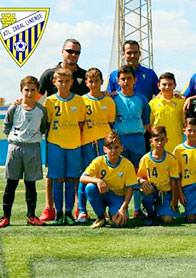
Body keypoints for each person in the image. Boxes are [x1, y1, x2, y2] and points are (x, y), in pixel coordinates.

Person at [38, 38, 88, 222]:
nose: (73, 55)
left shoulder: (82, 81)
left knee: (74, 176)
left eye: (77, 52)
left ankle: (76, 209)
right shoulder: (48, 79)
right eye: (70, 51)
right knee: (55, 176)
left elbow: (82, 121)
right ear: (62, 52)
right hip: (56, 141)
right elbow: (37, 101)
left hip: (75, 141)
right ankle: (51, 208)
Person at [0, 76, 48, 228]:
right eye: (26, 90)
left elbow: (43, 128)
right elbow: (6, 126)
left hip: (33, 149)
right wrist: (15, 138)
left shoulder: (41, 110)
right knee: (11, 183)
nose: (30, 93)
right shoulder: (14, 108)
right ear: (21, 91)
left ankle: (31, 216)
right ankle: (6, 217)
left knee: (30, 184)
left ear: (38, 91)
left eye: (33, 90)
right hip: (15, 148)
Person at [44, 68, 86, 224]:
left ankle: (68, 212)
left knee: (71, 178)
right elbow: (47, 123)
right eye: (60, 81)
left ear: (72, 83)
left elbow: (81, 124)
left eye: (67, 81)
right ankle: (58, 213)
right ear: (55, 82)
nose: (63, 84)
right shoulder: (50, 101)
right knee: (58, 179)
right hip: (55, 144)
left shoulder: (79, 101)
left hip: (74, 144)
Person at [77, 68, 116, 223]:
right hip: (87, 142)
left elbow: (111, 124)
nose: (94, 84)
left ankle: (103, 209)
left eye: (96, 81)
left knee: (104, 175)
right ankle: (81, 210)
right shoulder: (81, 101)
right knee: (86, 175)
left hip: (104, 144)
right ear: (86, 83)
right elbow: (80, 124)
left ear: (101, 82)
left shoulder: (108, 101)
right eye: (90, 81)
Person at [112, 65, 151, 219]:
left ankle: (137, 209)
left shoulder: (141, 99)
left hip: (137, 139)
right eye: (123, 79)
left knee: (138, 174)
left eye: (129, 78)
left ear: (135, 80)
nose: (126, 82)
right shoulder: (113, 99)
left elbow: (147, 123)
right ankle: (122, 209)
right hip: (120, 139)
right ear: (118, 81)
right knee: (122, 175)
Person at [80, 132, 137, 229]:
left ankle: (113, 213)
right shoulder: (99, 161)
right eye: (110, 148)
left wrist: (123, 208)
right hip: (103, 194)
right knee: (90, 187)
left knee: (119, 223)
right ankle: (101, 217)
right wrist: (98, 181)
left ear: (121, 148)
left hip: (118, 197)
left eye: (116, 147)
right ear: (104, 149)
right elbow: (82, 178)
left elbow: (129, 189)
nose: (113, 151)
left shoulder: (127, 165)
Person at [137, 126, 184, 225]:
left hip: (165, 193)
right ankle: (150, 213)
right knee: (147, 190)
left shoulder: (171, 159)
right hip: (152, 191)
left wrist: (173, 200)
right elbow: (139, 177)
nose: (159, 143)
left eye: (162, 140)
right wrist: (143, 182)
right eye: (156, 140)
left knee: (167, 220)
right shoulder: (145, 159)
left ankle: (160, 211)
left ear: (166, 140)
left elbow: (174, 180)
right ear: (151, 141)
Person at [148, 72, 185, 153]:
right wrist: (157, 137)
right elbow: (148, 125)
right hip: (158, 146)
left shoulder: (181, 102)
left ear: (175, 85)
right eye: (164, 84)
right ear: (158, 85)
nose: (167, 87)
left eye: (170, 84)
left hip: (177, 146)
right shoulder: (152, 103)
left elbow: (185, 123)